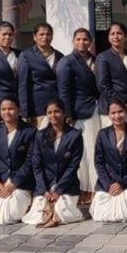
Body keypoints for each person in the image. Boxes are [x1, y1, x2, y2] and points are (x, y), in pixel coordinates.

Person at [22, 100, 85, 227]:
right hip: (45, 185)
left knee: (61, 211)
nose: (53, 115)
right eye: (49, 112)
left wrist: (58, 190)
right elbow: (37, 166)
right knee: (38, 215)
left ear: (63, 112)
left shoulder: (75, 135)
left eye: (57, 111)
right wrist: (44, 190)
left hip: (67, 185)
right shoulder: (40, 135)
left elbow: (73, 166)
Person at [57, 28, 101, 204]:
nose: (82, 42)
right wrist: (67, 114)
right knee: (82, 152)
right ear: (73, 41)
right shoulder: (67, 62)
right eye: (78, 39)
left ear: (90, 42)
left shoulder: (96, 60)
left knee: (95, 149)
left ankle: (95, 188)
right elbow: (64, 90)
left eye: (85, 39)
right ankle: (82, 189)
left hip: (96, 110)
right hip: (78, 113)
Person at [0, 97, 37, 225]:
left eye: (10, 108)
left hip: (20, 182)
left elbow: (30, 162)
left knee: (10, 214)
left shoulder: (30, 131)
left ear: (18, 109)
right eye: (3, 109)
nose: (7, 112)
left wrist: (14, 183)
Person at [90, 98, 127, 222]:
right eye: (113, 113)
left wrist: (121, 183)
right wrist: (109, 185)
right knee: (101, 212)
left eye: (120, 111)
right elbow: (99, 162)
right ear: (108, 115)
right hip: (107, 183)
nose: (117, 116)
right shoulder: (102, 134)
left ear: (126, 112)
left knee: (126, 211)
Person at [96, 22, 127, 128]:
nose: (116, 36)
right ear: (108, 37)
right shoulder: (103, 57)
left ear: (126, 37)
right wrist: (121, 105)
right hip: (112, 110)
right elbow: (103, 85)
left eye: (119, 33)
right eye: (112, 34)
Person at [18, 23, 63, 127]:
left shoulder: (59, 56)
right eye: (41, 34)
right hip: (37, 107)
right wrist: (24, 112)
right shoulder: (26, 55)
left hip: (56, 106)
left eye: (48, 34)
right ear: (34, 36)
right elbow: (23, 86)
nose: (45, 37)